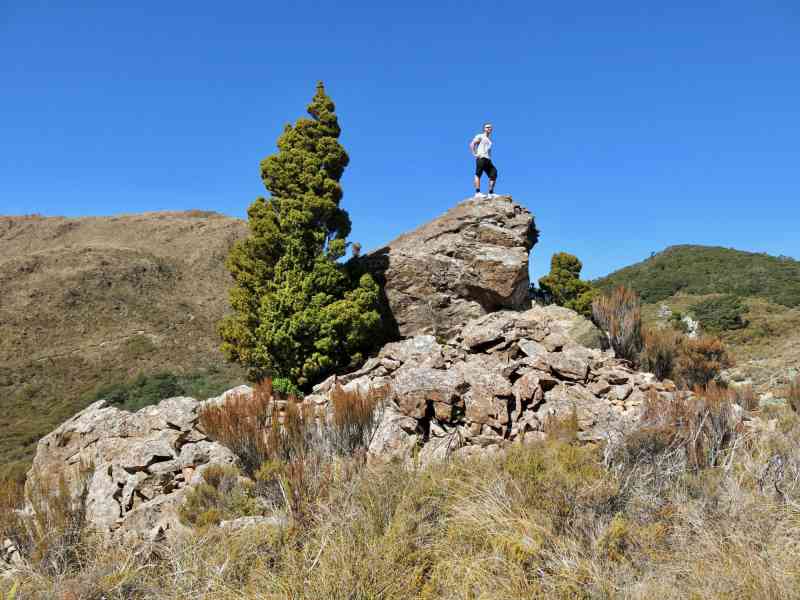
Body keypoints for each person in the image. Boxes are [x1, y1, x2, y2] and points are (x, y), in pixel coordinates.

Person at [469, 123, 497, 198]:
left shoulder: (489, 140)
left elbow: (489, 151)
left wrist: (490, 157)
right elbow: (472, 144)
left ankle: (491, 193)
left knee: (494, 173)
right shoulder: (480, 136)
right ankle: (477, 192)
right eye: (487, 127)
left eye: (490, 127)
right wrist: (475, 154)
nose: (489, 128)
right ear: (484, 129)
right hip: (481, 158)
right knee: (478, 174)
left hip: (488, 159)